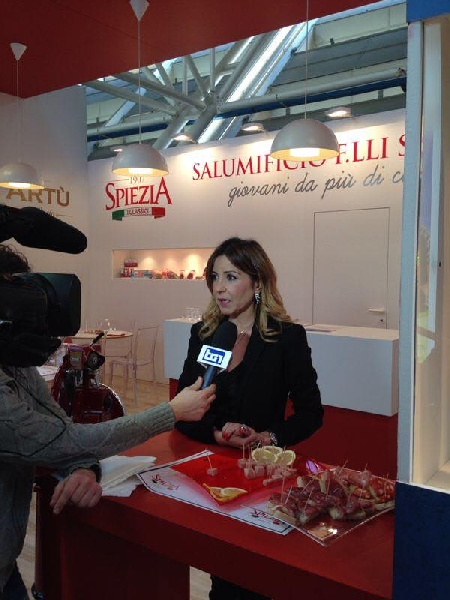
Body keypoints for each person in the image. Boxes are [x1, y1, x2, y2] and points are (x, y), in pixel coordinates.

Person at [0, 244, 216, 600]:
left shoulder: (15, 363)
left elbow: (60, 430)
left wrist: (84, 467)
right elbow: (62, 441)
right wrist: (170, 412)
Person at [176, 237, 323, 600]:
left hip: (262, 481)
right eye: (214, 277)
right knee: (223, 578)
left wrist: (268, 437)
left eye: (231, 276)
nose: (219, 287)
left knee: (256, 582)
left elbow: (311, 413)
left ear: (257, 282)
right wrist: (216, 433)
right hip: (211, 477)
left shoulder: (286, 338)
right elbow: (181, 411)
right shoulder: (204, 334)